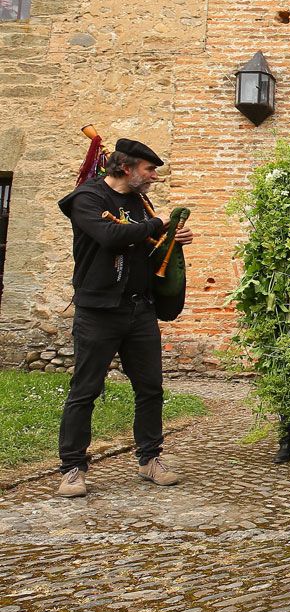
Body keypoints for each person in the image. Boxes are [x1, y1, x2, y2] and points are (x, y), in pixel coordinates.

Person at [56, 139, 194, 497]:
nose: (153, 177)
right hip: (98, 311)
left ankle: (150, 459)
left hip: (139, 309)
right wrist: (158, 223)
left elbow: (146, 247)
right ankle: (73, 468)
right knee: (85, 390)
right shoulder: (87, 199)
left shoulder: (140, 203)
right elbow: (110, 236)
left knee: (150, 388)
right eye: (149, 170)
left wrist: (173, 238)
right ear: (126, 168)